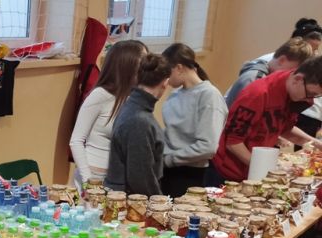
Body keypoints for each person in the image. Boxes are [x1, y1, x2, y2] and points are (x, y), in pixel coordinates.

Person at [208, 56, 322, 185]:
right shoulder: (258, 94)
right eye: (311, 94)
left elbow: (285, 128)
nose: (310, 100)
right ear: (298, 79)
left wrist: (316, 143)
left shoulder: (296, 93)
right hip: (228, 172)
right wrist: (266, 168)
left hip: (256, 168)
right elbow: (233, 142)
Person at [69, 40, 148, 189]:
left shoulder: (134, 97)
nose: (146, 70)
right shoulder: (100, 95)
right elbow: (76, 141)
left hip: (118, 179)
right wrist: (88, 181)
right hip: (94, 177)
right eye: (142, 64)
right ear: (126, 66)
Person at [159, 43, 228, 197]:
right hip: (167, 169)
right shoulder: (175, 95)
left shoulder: (209, 96)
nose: (166, 79)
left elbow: (207, 147)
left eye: (167, 72)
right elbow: (172, 133)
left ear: (179, 68)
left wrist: (169, 159)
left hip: (189, 174)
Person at [104, 54, 172, 196]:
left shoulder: (133, 107)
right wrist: (159, 202)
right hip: (130, 201)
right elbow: (140, 178)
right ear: (165, 83)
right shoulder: (139, 120)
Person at [226, 37, 313, 108]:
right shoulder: (254, 80)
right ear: (282, 60)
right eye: (291, 71)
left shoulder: (269, 81)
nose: (291, 76)